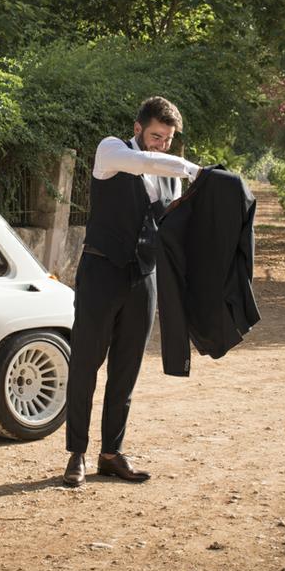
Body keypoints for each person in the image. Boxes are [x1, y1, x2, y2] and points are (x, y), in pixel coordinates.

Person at [63, 96, 200, 487]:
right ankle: (77, 454)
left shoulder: (170, 172)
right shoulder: (112, 151)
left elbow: (171, 226)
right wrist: (193, 169)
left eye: (168, 139)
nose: (161, 145)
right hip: (101, 271)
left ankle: (111, 454)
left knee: (126, 370)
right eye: (156, 135)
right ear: (138, 128)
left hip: (143, 277)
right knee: (86, 365)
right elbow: (145, 163)